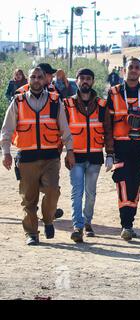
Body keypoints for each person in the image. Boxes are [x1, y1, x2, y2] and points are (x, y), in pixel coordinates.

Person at [1, 67, 75, 246]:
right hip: (26, 158)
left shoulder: (55, 101)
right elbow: (7, 130)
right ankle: (32, 233)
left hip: (50, 157)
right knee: (29, 199)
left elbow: (65, 128)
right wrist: (6, 153)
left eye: (39, 77)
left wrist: (70, 151)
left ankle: (48, 219)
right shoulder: (18, 101)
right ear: (29, 79)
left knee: (52, 191)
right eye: (33, 77)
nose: (36, 80)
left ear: (45, 80)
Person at [106, 58, 140, 241]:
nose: (134, 70)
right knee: (121, 181)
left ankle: (130, 220)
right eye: (131, 67)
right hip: (121, 146)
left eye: (137, 68)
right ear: (124, 70)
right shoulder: (113, 92)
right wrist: (110, 150)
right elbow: (108, 123)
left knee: (136, 182)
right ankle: (126, 225)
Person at [64, 69, 114, 243]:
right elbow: (62, 130)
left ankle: (87, 222)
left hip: (95, 157)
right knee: (77, 192)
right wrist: (64, 152)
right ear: (77, 81)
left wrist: (110, 154)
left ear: (92, 81)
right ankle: (77, 226)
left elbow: (108, 130)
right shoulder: (67, 104)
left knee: (90, 193)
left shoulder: (102, 104)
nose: (85, 81)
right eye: (82, 78)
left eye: (88, 79)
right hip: (75, 157)